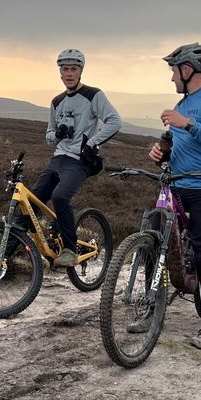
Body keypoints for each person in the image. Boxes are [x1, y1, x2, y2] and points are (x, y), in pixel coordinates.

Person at [142, 43, 201, 350]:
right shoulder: (180, 106)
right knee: (153, 240)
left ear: (187, 70)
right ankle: (149, 308)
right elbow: (177, 143)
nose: (171, 78)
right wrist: (161, 151)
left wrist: (190, 124)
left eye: (173, 71)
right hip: (177, 184)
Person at [31, 48, 122, 267]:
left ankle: (69, 250)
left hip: (79, 160)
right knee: (33, 200)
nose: (69, 73)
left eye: (73, 69)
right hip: (58, 158)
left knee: (60, 197)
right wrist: (57, 134)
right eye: (65, 69)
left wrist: (92, 142)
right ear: (60, 73)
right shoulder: (57, 101)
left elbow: (114, 121)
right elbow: (48, 137)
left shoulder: (93, 95)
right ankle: (7, 251)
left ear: (80, 71)